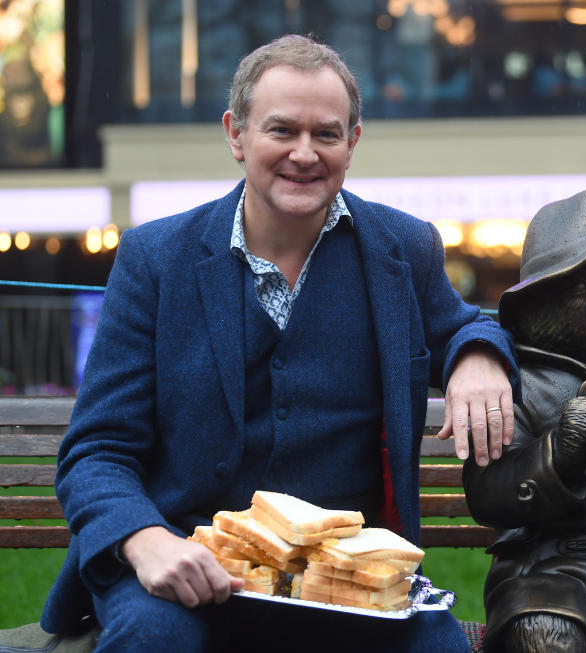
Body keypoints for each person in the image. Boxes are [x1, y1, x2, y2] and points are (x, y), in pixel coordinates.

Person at [40, 34, 519, 652]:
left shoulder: (403, 248)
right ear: (235, 135)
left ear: (353, 142)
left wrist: (476, 355)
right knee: (153, 640)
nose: (304, 153)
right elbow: (95, 451)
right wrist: (144, 541)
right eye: (281, 130)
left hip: (344, 577)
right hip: (187, 563)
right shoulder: (155, 258)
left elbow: (466, 323)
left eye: (326, 133)